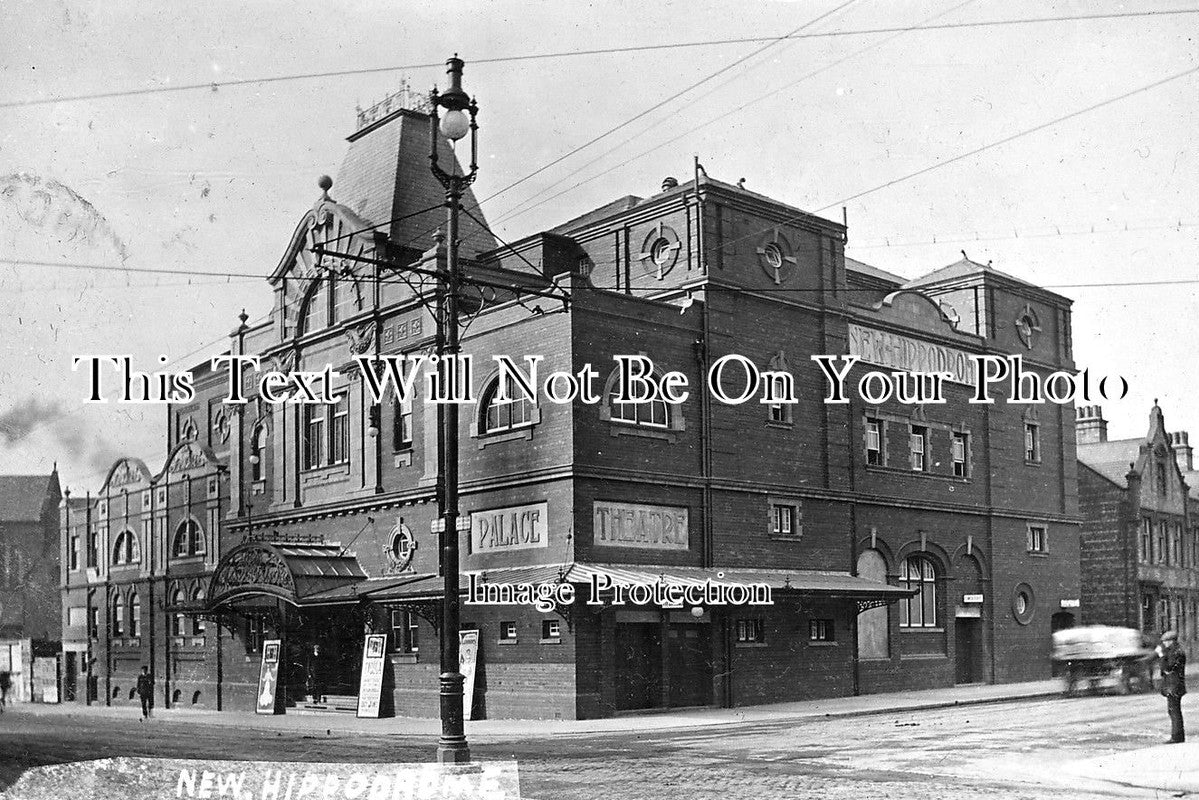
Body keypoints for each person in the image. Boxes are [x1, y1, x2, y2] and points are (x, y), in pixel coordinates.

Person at [1156, 630, 1186, 743]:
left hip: (1174, 686)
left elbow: (1168, 667)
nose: (1164, 644)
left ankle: (1177, 736)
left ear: (1171, 641)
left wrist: (1161, 655)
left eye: (1166, 641)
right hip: (1174, 686)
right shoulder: (1175, 651)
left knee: (1174, 711)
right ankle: (1178, 735)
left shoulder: (1175, 653)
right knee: (1173, 711)